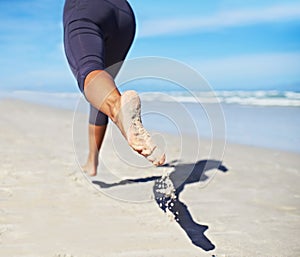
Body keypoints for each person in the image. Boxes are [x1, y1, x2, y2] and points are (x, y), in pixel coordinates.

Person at [63, 0, 165, 176]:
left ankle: (119, 109)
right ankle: (92, 161)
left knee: (89, 71)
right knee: (102, 85)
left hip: (86, 7)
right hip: (124, 17)